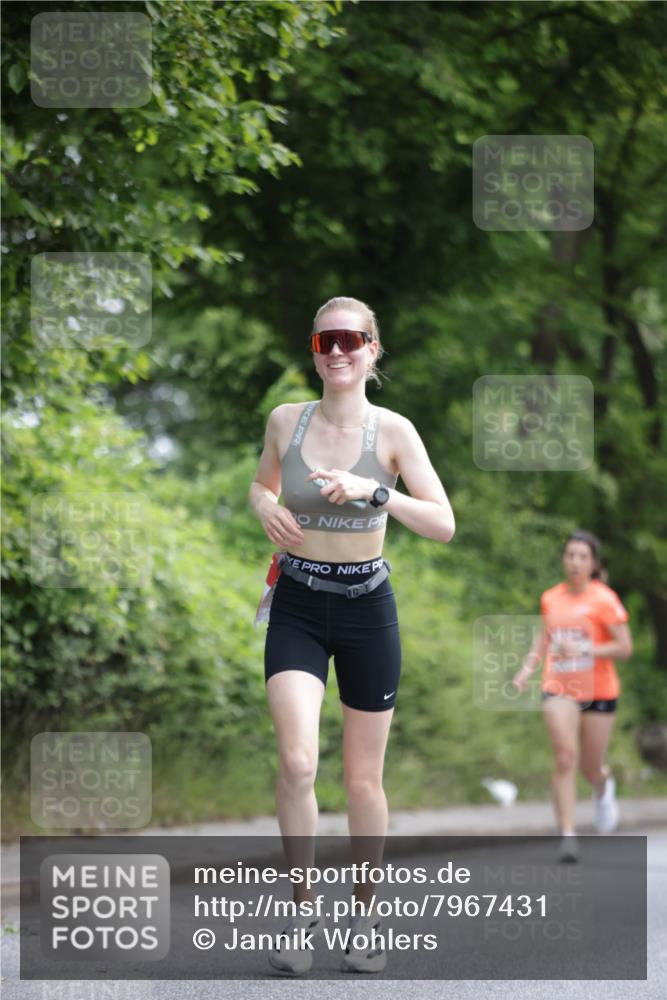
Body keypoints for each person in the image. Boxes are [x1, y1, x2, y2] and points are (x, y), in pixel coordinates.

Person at [248, 296, 455, 973]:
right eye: (324, 341)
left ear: (372, 350)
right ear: (313, 350)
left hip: (369, 610)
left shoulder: (393, 432)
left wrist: (374, 493)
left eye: (350, 339)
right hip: (299, 603)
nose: (336, 351)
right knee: (298, 762)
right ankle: (301, 913)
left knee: (363, 779)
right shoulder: (285, 421)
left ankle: (364, 918)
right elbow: (261, 486)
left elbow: (442, 522)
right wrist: (266, 512)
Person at [512, 530, 633, 863]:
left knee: (591, 766)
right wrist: (526, 670)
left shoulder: (605, 600)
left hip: (599, 690)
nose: (576, 562)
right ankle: (567, 834)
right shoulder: (551, 598)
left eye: (583, 556)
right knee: (565, 756)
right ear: (564, 559)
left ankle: (602, 786)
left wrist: (584, 647)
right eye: (570, 555)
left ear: (593, 563)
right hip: (559, 686)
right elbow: (543, 640)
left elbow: (625, 648)